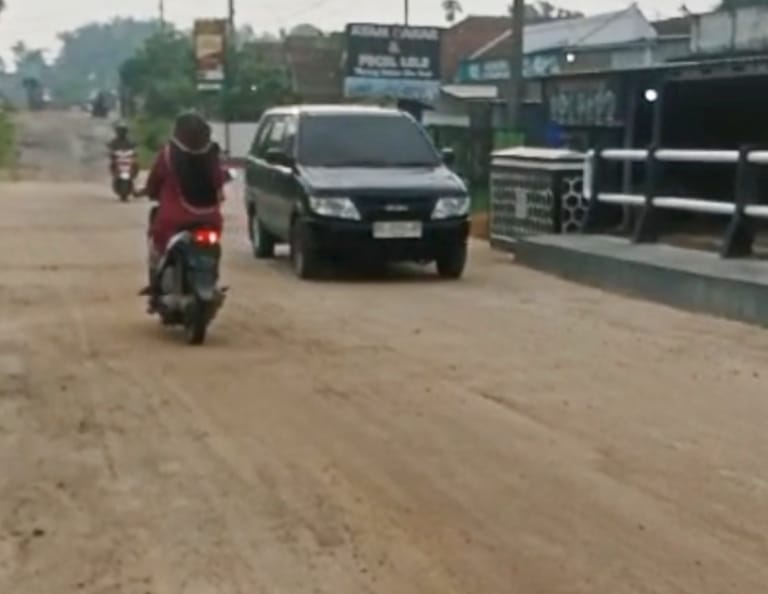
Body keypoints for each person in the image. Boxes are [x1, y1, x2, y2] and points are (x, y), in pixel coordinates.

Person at [140, 111, 226, 296]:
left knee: (157, 243)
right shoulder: (212, 153)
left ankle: (156, 281)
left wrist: (150, 192)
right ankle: (211, 279)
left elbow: (154, 180)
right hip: (210, 219)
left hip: (174, 219)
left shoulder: (168, 154)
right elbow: (219, 181)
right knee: (213, 248)